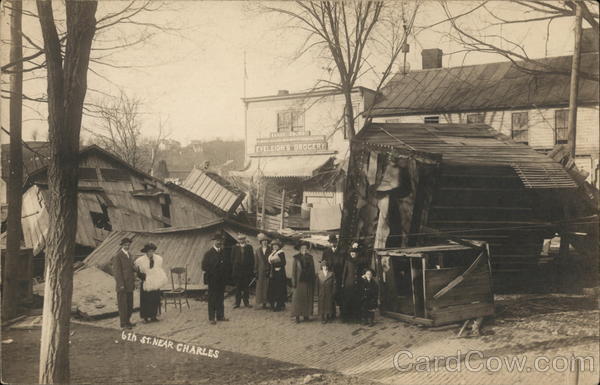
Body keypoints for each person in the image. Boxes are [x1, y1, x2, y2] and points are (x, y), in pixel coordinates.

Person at [135, 243, 169, 323]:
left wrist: (157, 278)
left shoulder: (158, 259)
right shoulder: (140, 261)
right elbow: (138, 272)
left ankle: (153, 316)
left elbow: (159, 270)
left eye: (152, 251)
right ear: (146, 252)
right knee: (145, 299)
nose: (151, 253)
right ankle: (145, 317)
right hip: (146, 281)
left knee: (155, 298)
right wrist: (145, 278)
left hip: (155, 281)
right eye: (149, 251)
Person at [202, 234, 231, 325]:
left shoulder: (223, 252)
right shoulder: (208, 253)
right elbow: (204, 266)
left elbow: (227, 265)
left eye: (220, 240)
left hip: (221, 280)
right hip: (212, 280)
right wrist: (213, 272)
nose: (219, 242)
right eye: (217, 240)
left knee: (220, 298)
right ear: (214, 241)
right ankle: (211, 318)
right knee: (212, 299)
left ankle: (220, 316)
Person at [112, 237, 136, 329]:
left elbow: (130, 268)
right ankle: (123, 323)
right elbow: (117, 272)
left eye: (128, 244)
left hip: (130, 284)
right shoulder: (117, 256)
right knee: (123, 305)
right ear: (122, 245)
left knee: (130, 304)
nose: (127, 246)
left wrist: (135, 269)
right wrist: (121, 284)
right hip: (122, 285)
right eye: (125, 244)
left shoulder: (129, 255)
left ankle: (128, 321)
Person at [341, 241, 369, 323]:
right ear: (350, 253)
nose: (352, 254)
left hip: (358, 283)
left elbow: (363, 270)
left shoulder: (360, 261)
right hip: (348, 284)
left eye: (354, 253)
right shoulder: (347, 261)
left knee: (357, 301)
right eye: (351, 253)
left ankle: (357, 317)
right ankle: (346, 318)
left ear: (356, 254)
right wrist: (343, 283)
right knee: (347, 300)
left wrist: (363, 276)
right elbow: (344, 273)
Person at [291, 241, 315, 323]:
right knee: (298, 299)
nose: (304, 249)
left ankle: (306, 315)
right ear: (299, 249)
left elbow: (313, 270)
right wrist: (293, 281)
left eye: (305, 248)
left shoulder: (310, 258)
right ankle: (297, 316)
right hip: (299, 282)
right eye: (302, 248)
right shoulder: (296, 258)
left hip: (308, 281)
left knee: (307, 298)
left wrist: (313, 281)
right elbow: (294, 271)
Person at [321, 234, 343, 319]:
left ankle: (342, 313)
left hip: (339, 276)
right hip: (329, 276)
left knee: (339, 294)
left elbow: (344, 264)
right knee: (330, 295)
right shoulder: (326, 252)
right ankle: (331, 313)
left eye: (334, 242)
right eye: (331, 242)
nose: (333, 244)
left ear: (337, 242)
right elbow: (323, 264)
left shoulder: (342, 251)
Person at [231, 233, 255, 308]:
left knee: (246, 287)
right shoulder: (234, 247)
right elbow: (232, 258)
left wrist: (250, 269)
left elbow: (252, 259)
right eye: (240, 239)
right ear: (238, 240)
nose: (241, 240)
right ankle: (237, 303)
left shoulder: (249, 247)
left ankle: (246, 302)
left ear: (245, 239)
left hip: (246, 271)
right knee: (237, 287)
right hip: (237, 270)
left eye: (243, 239)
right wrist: (236, 265)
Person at [267, 238, 287, 311]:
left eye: (276, 246)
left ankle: (279, 305)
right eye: (274, 246)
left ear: (279, 246)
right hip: (273, 273)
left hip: (279, 273)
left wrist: (275, 263)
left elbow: (284, 263)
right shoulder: (272, 253)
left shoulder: (281, 252)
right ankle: (273, 304)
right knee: (273, 288)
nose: (275, 247)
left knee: (279, 288)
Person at [254, 233, 271, 309]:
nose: (265, 242)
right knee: (260, 286)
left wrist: (270, 269)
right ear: (261, 242)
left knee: (267, 286)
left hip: (268, 270)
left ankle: (266, 302)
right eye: (263, 241)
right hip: (260, 270)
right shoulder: (258, 250)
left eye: (266, 241)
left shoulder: (270, 250)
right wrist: (255, 271)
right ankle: (259, 302)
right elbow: (256, 261)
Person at [316, 260, 336, 324]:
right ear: (321, 266)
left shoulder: (331, 273)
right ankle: (322, 317)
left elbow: (334, 283)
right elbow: (317, 284)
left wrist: (333, 291)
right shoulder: (319, 274)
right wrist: (317, 292)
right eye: (323, 266)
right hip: (321, 291)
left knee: (328, 304)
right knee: (322, 304)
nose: (325, 267)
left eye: (326, 266)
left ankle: (327, 316)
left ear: (328, 267)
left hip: (329, 291)